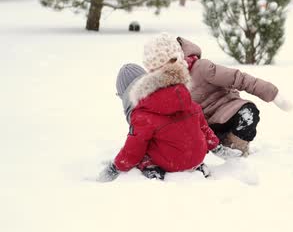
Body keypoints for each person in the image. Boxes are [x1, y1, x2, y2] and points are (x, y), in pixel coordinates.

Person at [98, 33, 239, 182]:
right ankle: (195, 167)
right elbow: (203, 127)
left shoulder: (142, 111)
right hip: (197, 157)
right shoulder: (184, 95)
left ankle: (151, 168)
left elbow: (133, 149)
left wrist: (114, 168)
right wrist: (217, 148)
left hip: (173, 163)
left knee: (143, 147)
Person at [176, 36, 293, 157]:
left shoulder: (202, 67)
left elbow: (239, 78)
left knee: (248, 114)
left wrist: (271, 93)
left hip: (228, 108)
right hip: (205, 126)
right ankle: (220, 151)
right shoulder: (168, 83)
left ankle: (237, 152)